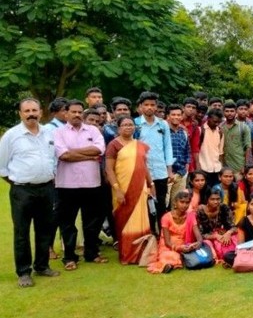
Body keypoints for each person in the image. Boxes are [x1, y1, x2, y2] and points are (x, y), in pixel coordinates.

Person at [0, 98, 59, 287]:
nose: (31, 114)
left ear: (41, 112)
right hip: (22, 190)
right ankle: (24, 272)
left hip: (47, 188)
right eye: (27, 111)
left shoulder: (49, 133)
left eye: (34, 110)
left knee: (44, 229)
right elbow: (2, 167)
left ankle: (42, 266)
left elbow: (54, 158)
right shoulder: (11, 136)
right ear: (20, 113)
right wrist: (19, 183)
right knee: (22, 232)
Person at [53, 99, 107, 270]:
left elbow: (99, 150)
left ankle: (91, 253)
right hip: (66, 185)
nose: (76, 115)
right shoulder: (58, 132)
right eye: (73, 112)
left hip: (91, 183)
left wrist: (73, 152)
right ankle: (69, 257)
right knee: (67, 222)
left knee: (91, 221)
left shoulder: (93, 130)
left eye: (79, 112)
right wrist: (88, 156)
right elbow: (63, 155)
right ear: (66, 113)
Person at [104, 116, 154, 265]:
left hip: (140, 189)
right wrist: (117, 189)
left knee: (141, 220)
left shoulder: (140, 145)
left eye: (130, 125)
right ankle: (127, 255)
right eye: (124, 125)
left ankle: (141, 254)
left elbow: (144, 167)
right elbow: (109, 169)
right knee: (124, 221)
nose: (128, 127)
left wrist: (151, 184)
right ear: (118, 128)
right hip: (122, 189)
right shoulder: (114, 145)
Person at [134, 91, 174, 224]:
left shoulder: (163, 124)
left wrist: (169, 170)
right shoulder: (136, 124)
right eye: (146, 105)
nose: (149, 107)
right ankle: (149, 232)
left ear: (156, 107)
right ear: (141, 106)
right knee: (145, 203)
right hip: (142, 171)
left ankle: (162, 234)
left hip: (160, 170)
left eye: (152, 105)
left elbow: (167, 147)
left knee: (161, 203)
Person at [147, 190, 201, 273]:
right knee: (170, 255)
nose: (184, 205)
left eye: (187, 203)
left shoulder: (191, 216)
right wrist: (179, 248)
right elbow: (167, 242)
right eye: (182, 202)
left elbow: (198, 235)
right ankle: (166, 265)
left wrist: (198, 243)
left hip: (185, 244)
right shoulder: (166, 217)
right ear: (175, 203)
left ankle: (175, 262)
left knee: (207, 245)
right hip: (169, 246)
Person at [194, 185, 237, 263]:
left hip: (223, 235)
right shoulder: (200, 211)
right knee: (208, 244)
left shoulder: (224, 207)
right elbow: (200, 235)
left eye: (218, 199)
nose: (216, 202)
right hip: (208, 239)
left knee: (235, 238)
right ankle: (218, 258)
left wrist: (228, 233)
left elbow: (234, 227)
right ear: (207, 199)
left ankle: (233, 255)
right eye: (212, 199)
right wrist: (215, 236)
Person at [166, 104, 191, 207]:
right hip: (166, 174)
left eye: (178, 115)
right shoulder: (163, 131)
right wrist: (168, 172)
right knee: (164, 203)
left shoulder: (183, 132)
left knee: (177, 205)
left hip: (181, 173)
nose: (176, 117)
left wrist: (186, 169)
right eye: (173, 115)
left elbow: (187, 151)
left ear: (181, 116)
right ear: (168, 116)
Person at [221, 100, 252, 177]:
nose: (229, 113)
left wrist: (245, 165)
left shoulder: (243, 127)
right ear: (223, 112)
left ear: (236, 112)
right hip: (223, 166)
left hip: (238, 166)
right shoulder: (220, 127)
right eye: (227, 111)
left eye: (232, 111)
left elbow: (248, 147)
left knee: (239, 188)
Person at [197, 108, 225, 188]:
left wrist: (221, 168)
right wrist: (198, 168)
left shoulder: (220, 132)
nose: (217, 124)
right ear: (208, 118)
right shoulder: (201, 130)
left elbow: (220, 152)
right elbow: (196, 151)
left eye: (219, 122)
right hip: (203, 168)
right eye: (215, 121)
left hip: (217, 169)